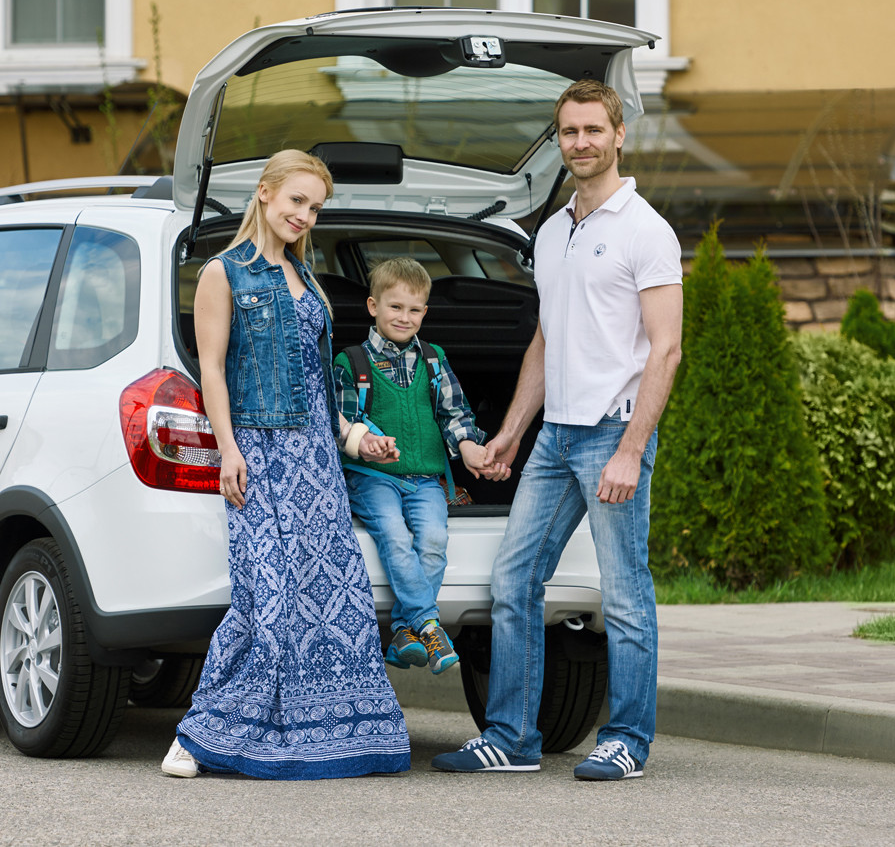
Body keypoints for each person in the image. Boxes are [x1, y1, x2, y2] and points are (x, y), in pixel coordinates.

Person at [430, 80, 683, 780]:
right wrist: (512, 431)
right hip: (557, 437)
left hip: (613, 432)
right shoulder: (551, 229)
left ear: (618, 134)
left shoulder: (645, 230)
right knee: (513, 582)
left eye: (593, 129)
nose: (581, 142)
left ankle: (627, 739)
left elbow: (666, 349)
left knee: (625, 590)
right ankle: (512, 737)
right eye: (569, 132)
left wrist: (632, 450)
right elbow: (547, 341)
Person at [162, 149, 411, 780]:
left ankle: (337, 732)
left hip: (318, 461)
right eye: (297, 200)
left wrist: (354, 439)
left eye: (315, 207)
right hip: (261, 452)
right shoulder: (224, 274)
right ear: (266, 194)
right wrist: (228, 449)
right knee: (263, 596)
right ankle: (197, 736)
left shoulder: (310, 279)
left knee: (329, 598)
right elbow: (211, 368)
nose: (305, 215)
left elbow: (319, 383)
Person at [334, 257, 506, 676]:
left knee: (431, 540)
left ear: (425, 313)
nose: (404, 317)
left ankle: (404, 633)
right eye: (395, 307)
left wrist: (468, 447)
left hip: (427, 478)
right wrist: (365, 445)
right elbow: (341, 426)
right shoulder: (352, 363)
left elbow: (455, 414)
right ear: (373, 306)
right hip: (374, 479)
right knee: (394, 536)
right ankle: (430, 625)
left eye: (414, 310)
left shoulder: (432, 360)